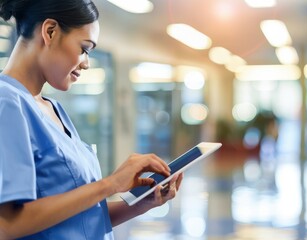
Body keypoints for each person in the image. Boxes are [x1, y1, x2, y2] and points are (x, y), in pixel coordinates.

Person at [0, 0, 183, 239]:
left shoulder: (53, 109)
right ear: (50, 31)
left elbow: (81, 217)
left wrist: (141, 204)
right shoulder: (7, 104)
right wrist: (111, 184)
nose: (86, 63)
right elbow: (8, 225)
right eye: (84, 48)